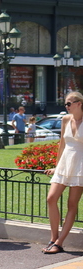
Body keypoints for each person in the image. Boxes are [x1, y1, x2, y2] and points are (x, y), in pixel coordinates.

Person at [42, 92, 83, 254]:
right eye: (65, 104)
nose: (66, 107)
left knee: (72, 205)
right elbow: (62, 145)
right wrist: (56, 166)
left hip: (81, 166)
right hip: (65, 164)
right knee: (51, 198)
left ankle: (59, 242)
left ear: (79, 103)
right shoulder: (66, 120)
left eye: (69, 103)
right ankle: (53, 238)